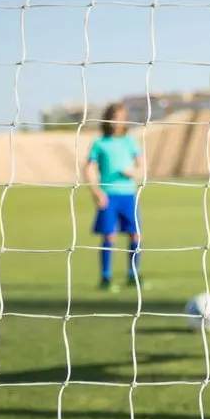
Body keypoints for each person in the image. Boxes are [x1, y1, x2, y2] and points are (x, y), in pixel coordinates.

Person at [84, 103, 147, 292]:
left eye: (121, 117)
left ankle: (132, 275)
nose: (117, 121)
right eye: (114, 117)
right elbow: (87, 168)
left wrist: (134, 173)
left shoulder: (130, 142)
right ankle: (106, 278)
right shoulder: (99, 143)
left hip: (128, 194)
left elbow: (142, 167)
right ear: (107, 119)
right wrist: (96, 192)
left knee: (135, 234)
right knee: (109, 235)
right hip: (108, 195)